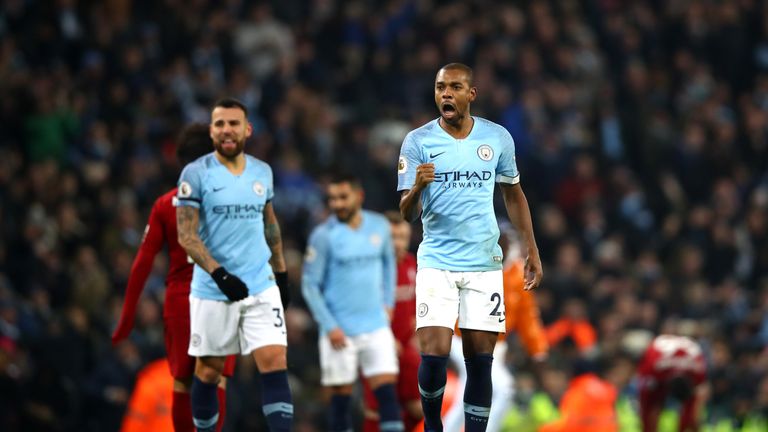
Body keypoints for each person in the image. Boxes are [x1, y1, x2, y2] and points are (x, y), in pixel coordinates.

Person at [397, 62, 543, 432]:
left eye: (455, 87)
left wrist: (531, 249)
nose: (446, 93)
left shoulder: (496, 138)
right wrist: (416, 187)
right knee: (434, 354)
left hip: (483, 263)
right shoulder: (417, 141)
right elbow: (406, 213)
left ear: (470, 94)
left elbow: (513, 195)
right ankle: (433, 426)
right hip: (437, 262)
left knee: (481, 361)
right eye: (440, 87)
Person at [175, 98, 292, 432]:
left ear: (247, 129)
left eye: (233, 123)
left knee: (274, 361)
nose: (227, 130)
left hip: (260, 283)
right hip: (213, 290)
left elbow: (269, 223)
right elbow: (187, 235)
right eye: (220, 124)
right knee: (209, 371)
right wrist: (219, 273)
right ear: (212, 131)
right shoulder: (195, 174)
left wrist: (281, 271)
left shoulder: (262, 172)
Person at [111, 123, 236, 432]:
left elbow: (141, 264)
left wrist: (127, 317)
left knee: (182, 382)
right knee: (215, 378)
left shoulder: (165, 204)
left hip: (180, 301)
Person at [301, 174, 404, 432]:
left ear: (359, 196)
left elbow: (389, 266)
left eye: (342, 197)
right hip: (340, 331)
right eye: (332, 199)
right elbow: (310, 285)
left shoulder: (379, 226)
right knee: (341, 401)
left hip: (375, 326)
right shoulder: (323, 236)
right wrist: (329, 326)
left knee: (387, 395)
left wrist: (388, 305)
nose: (337, 204)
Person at [444, 227, 549, 432]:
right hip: (463, 337)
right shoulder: (472, 264)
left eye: (505, 240)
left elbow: (528, 318)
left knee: (479, 391)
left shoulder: (518, 274)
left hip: (495, 345)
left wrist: (538, 350)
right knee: (500, 388)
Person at [362, 211, 424, 432]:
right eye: (392, 238)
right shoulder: (369, 269)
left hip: (407, 351)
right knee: (377, 411)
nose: (398, 244)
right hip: (377, 349)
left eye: (403, 238)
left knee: (417, 408)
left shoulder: (412, 264)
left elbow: (420, 305)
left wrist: (420, 331)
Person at [637, 334, 707, 432]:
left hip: (671, 363)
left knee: (691, 411)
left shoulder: (697, 371)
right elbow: (645, 400)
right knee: (650, 405)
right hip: (657, 362)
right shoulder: (654, 368)